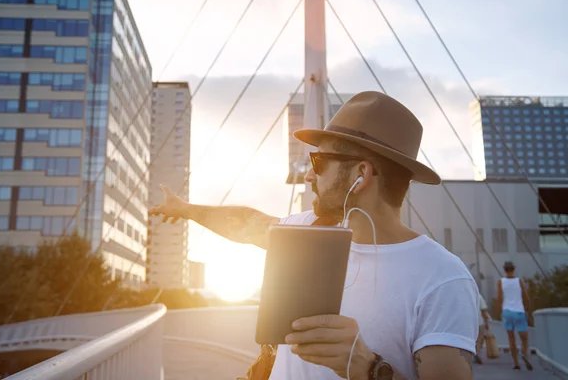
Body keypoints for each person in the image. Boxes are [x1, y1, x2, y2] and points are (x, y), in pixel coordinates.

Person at [150, 91, 479, 379]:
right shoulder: (305, 234)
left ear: (360, 174)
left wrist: (366, 368)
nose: (308, 175)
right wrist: (186, 210)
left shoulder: (442, 280)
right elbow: (247, 223)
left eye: (319, 161)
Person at [497, 261, 533, 371]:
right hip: (519, 312)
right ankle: (525, 355)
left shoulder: (500, 282)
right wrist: (528, 311)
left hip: (507, 312)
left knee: (511, 339)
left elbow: (499, 298)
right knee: (524, 338)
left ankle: (516, 363)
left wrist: (501, 311)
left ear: (504, 270)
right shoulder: (519, 281)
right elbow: (526, 297)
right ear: (514, 269)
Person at [473, 292, 490, 364]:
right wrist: (487, 323)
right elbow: (483, 311)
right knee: (479, 339)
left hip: (468, 322)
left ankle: (473, 352)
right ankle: (477, 352)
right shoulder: (479, 296)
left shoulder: (465, 296)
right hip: (479, 321)